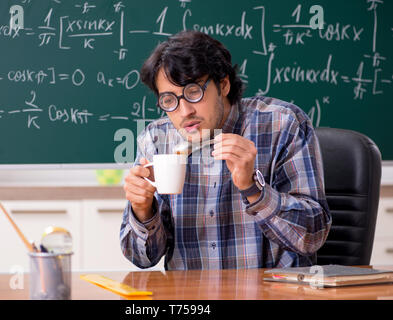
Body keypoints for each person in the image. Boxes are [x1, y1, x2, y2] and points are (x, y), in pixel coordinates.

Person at [120, 30, 331, 270]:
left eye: (193, 92)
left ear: (223, 84)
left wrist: (254, 189)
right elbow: (141, 259)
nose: (184, 111)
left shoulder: (283, 125)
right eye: (169, 100)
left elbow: (313, 236)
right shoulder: (156, 140)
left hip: (270, 294)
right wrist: (142, 210)